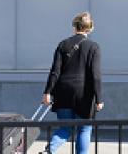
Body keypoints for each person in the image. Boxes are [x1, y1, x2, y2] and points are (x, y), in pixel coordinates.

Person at [41, 12, 104, 154]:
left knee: (65, 127)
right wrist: (99, 99)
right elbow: (96, 75)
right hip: (84, 94)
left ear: (74, 26)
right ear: (90, 28)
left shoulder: (63, 45)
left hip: (63, 92)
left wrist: (47, 92)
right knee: (84, 128)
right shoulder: (94, 47)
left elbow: (55, 71)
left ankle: (50, 150)